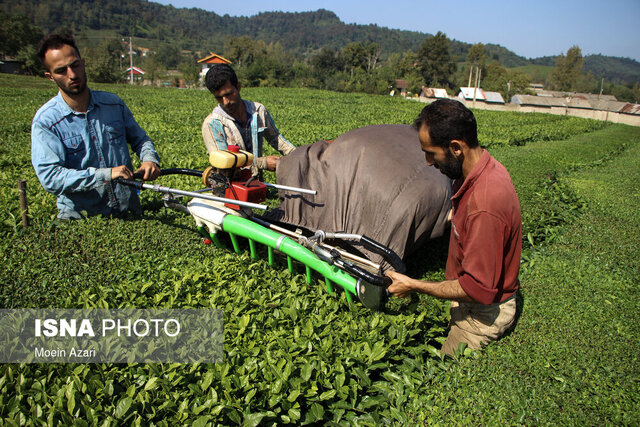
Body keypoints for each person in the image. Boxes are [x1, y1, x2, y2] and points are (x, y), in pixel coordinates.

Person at [386, 99, 522, 357]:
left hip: (482, 313)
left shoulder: (484, 205)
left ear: (456, 148)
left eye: (431, 153)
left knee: (443, 371)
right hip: (471, 301)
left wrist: (413, 285)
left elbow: (477, 288)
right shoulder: (481, 170)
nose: (427, 162)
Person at [31, 33, 161, 219]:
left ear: (83, 63)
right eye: (61, 70)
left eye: (75, 65)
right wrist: (105, 174)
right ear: (50, 76)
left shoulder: (113, 104)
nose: (72, 74)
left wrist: (149, 159)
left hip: (128, 212)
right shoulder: (47, 121)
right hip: (82, 221)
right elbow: (51, 177)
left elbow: (140, 139)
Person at [201, 64, 295, 177]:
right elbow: (225, 163)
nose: (225, 101)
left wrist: (298, 154)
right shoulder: (213, 123)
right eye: (219, 97)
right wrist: (262, 163)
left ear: (238, 86)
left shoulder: (258, 110)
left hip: (256, 184)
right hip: (230, 188)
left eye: (229, 94)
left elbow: (275, 138)